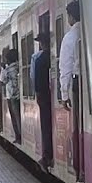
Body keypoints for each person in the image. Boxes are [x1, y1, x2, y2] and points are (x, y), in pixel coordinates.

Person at [32, 31, 54, 168]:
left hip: (44, 96)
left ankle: (47, 156)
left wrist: (38, 95)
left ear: (41, 43)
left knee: (46, 126)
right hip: (52, 95)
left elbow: (36, 80)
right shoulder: (53, 57)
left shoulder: (39, 59)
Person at [0, 48, 23, 143]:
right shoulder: (18, 66)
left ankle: (18, 136)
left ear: (8, 59)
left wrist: (3, 68)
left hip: (12, 95)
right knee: (19, 116)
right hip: (19, 94)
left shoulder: (8, 69)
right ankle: (20, 136)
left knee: (15, 117)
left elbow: (2, 81)